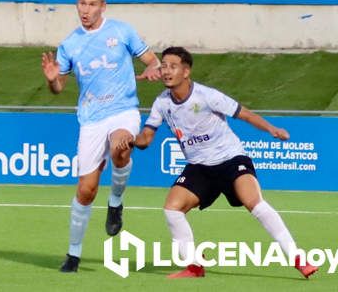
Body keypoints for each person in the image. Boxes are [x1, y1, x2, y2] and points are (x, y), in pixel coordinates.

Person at [125, 46, 319, 279]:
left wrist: (272, 129)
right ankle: (194, 266)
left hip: (231, 159)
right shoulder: (162, 103)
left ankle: (298, 258)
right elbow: (146, 138)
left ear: (186, 72)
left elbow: (244, 114)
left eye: (173, 66)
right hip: (199, 166)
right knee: (172, 209)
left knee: (254, 203)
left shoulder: (207, 95)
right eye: (163, 65)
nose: (166, 71)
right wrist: (131, 140)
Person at [40, 0, 161, 273]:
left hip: (123, 111)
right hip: (90, 119)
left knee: (121, 148)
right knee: (86, 191)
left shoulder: (122, 31)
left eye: (92, 5)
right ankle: (73, 254)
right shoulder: (69, 44)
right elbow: (59, 89)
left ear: (102, 7)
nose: (86, 10)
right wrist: (53, 78)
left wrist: (153, 68)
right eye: (82, 4)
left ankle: (116, 202)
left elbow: (152, 60)